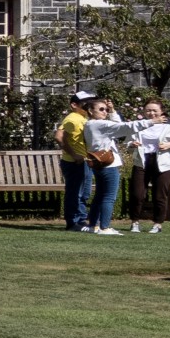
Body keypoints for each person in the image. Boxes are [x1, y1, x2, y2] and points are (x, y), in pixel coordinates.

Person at [56, 91, 99, 233]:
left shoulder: (82, 118)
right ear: (74, 105)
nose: (88, 105)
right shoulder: (73, 119)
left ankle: (80, 221)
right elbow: (59, 137)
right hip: (75, 162)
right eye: (85, 103)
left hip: (83, 161)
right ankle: (74, 222)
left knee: (83, 193)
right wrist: (74, 155)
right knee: (76, 193)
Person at [86, 96, 128, 235]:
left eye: (106, 109)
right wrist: (151, 122)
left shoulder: (93, 124)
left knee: (99, 195)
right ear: (91, 111)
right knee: (109, 196)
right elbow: (122, 127)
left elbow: (116, 127)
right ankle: (105, 227)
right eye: (101, 109)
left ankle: (93, 225)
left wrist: (112, 111)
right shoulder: (98, 124)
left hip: (100, 164)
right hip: (108, 165)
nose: (105, 112)